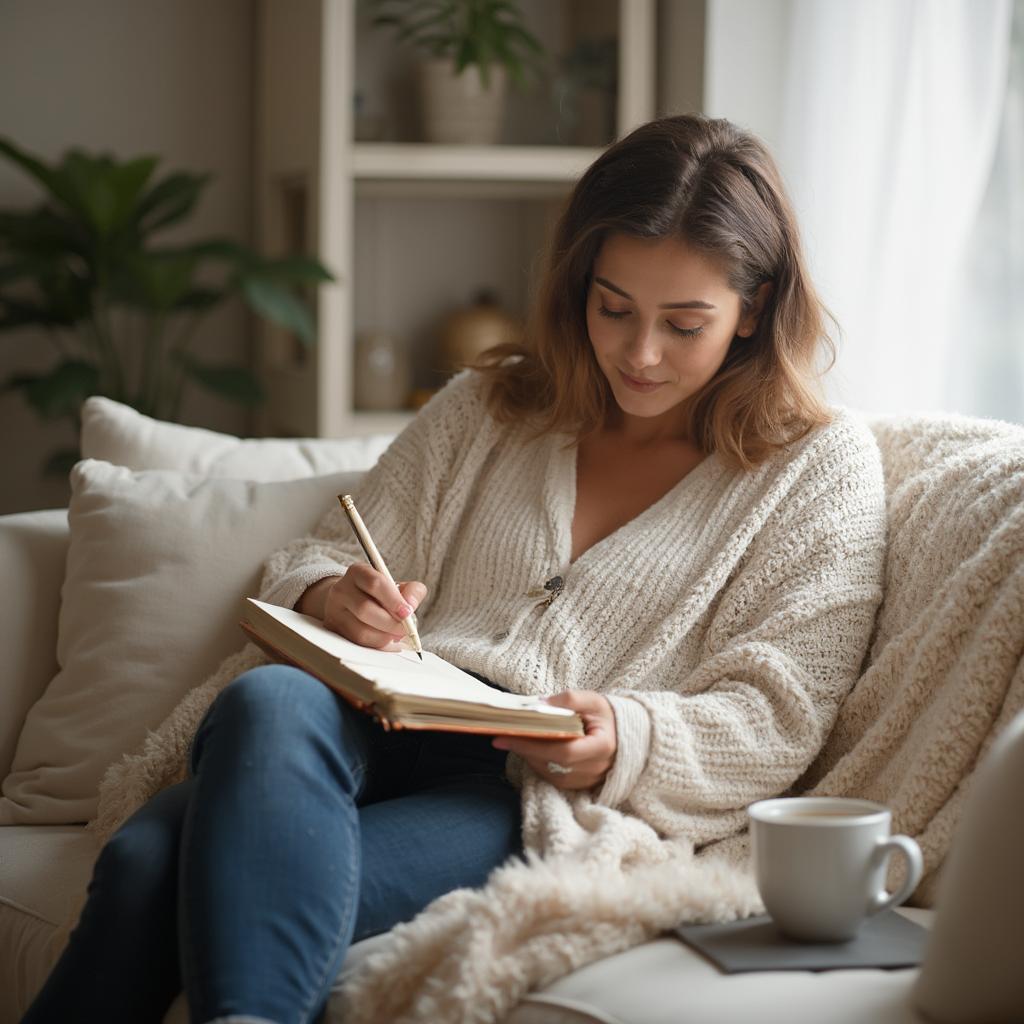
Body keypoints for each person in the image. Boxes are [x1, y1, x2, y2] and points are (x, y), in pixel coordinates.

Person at [22, 114, 886, 1024]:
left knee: (146, 871)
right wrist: (334, 596)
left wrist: (623, 736)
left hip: (524, 789)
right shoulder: (491, 406)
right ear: (577, 286)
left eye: (684, 324)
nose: (640, 354)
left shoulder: (816, 469)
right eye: (613, 308)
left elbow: (783, 707)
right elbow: (322, 554)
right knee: (267, 699)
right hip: (362, 722)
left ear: (752, 309)